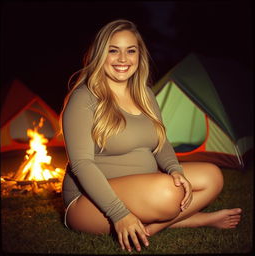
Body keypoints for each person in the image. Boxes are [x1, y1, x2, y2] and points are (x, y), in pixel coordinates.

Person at [60, 19, 242, 252]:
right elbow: (81, 164)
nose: (123, 59)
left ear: (139, 55)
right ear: (99, 55)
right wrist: (119, 214)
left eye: (131, 51)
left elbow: (161, 142)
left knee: (212, 176)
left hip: (142, 185)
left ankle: (150, 229)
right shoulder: (83, 98)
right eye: (113, 51)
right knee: (168, 194)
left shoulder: (144, 93)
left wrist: (175, 170)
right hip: (88, 202)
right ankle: (197, 219)